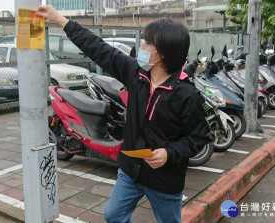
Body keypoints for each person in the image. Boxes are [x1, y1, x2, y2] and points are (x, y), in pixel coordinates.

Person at [37, 5, 211, 223]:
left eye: (148, 43)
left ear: (164, 53)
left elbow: (199, 137)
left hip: (165, 179)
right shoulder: (137, 74)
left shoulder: (187, 94)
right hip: (131, 170)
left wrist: (169, 153)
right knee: (113, 216)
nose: (142, 47)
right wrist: (60, 20)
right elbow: (99, 48)